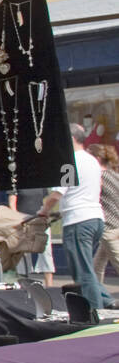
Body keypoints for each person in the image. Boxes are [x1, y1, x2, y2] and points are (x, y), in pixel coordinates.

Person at [40, 124, 112, 310]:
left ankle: (97, 310)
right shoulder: (92, 160)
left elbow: (57, 194)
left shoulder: (68, 161)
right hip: (96, 218)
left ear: (71, 139)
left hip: (78, 220)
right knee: (86, 268)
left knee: (81, 271)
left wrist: (43, 211)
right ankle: (105, 300)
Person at [92, 145, 119, 285]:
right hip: (115, 224)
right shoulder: (114, 175)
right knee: (97, 265)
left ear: (97, 159)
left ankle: (95, 295)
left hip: (109, 226)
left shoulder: (99, 177)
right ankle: (96, 296)